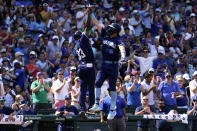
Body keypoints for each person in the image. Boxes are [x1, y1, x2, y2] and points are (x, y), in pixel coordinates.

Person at [89, 7, 126, 120]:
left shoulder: (118, 39)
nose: (108, 29)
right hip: (104, 64)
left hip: (113, 66)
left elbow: (122, 48)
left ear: (115, 31)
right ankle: (96, 104)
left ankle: (113, 110)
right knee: (97, 82)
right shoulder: (105, 34)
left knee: (112, 88)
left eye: (110, 28)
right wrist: (91, 13)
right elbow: (97, 24)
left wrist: (123, 56)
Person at [73, 7, 95, 119]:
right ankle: (91, 108)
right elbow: (87, 27)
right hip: (89, 66)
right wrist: (89, 12)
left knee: (82, 89)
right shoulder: (82, 39)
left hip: (81, 67)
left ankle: (82, 109)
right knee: (91, 88)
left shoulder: (76, 46)